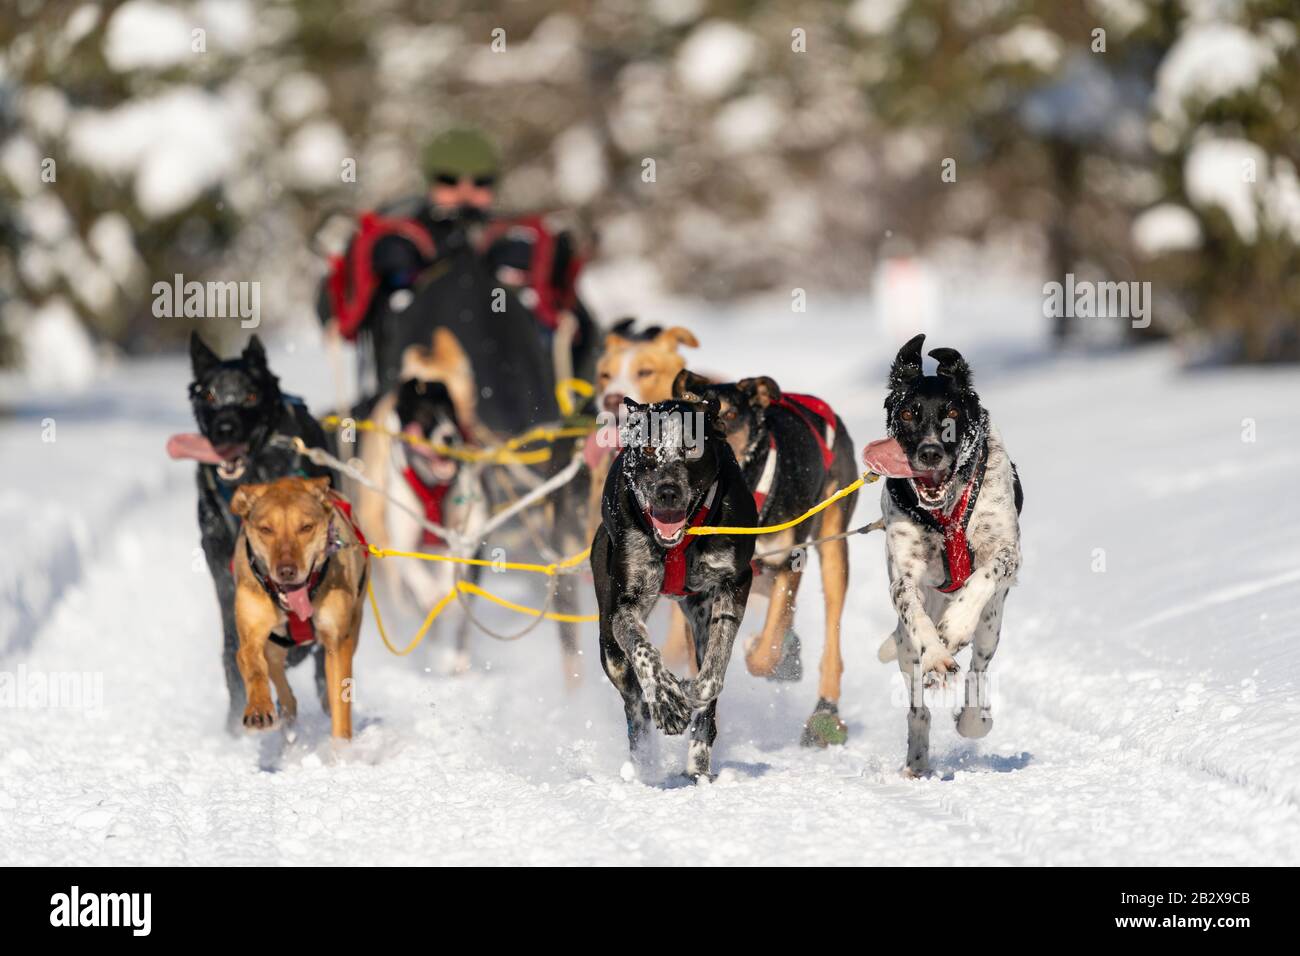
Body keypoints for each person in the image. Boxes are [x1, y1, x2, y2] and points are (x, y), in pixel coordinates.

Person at [319, 127, 597, 434]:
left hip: (515, 411)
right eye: (449, 180)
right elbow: (335, 314)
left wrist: (521, 281)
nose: (465, 193)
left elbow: (579, 333)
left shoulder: (517, 243)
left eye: (480, 183)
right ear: (431, 181)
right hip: (410, 411)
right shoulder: (398, 240)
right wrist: (393, 277)